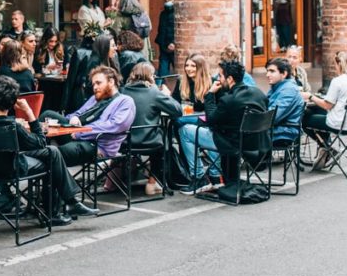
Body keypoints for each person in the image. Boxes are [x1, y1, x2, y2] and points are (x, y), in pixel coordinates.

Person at [0, 76, 97, 226]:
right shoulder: (12, 128)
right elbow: (40, 142)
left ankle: (67, 204)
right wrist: (29, 112)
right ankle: (57, 210)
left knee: (52, 152)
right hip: (11, 169)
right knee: (52, 155)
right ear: (12, 104)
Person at [177, 59, 267, 194]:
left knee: (185, 130)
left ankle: (199, 177)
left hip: (232, 144)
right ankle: (215, 175)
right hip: (256, 143)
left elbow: (212, 120)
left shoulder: (229, 99)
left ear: (229, 79)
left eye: (220, 76)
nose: (218, 79)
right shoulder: (258, 93)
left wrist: (210, 95)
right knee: (214, 130)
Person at [43, 66, 135, 168]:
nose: (95, 87)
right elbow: (78, 113)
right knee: (48, 115)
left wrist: (81, 133)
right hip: (77, 135)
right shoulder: (95, 98)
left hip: (98, 147)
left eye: (98, 83)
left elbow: (114, 126)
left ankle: (49, 172)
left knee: (56, 153)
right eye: (93, 84)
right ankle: (33, 150)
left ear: (111, 82)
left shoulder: (125, 101)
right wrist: (75, 117)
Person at [117, 61, 180, 196]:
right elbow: (177, 111)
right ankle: (152, 183)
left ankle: (126, 178)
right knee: (163, 138)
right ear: (150, 76)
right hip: (148, 141)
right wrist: (168, 95)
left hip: (123, 141)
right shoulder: (153, 92)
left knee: (159, 134)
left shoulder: (123, 91)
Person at [303, 50, 347, 170]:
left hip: (338, 124)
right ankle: (327, 148)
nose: (335, 68)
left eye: (336, 65)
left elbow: (327, 105)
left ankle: (327, 147)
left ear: (340, 65)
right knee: (318, 113)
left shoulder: (338, 81)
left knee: (304, 118)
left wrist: (310, 96)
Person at [62, 32, 119, 113]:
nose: (116, 48)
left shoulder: (112, 60)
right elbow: (91, 87)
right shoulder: (94, 62)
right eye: (113, 45)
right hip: (91, 104)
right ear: (105, 47)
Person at [263, 57, 305, 147]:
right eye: (267, 71)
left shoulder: (288, 90)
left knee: (239, 136)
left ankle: (258, 160)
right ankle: (258, 160)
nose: (267, 74)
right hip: (277, 129)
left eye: (272, 71)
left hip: (284, 133)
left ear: (284, 74)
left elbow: (273, 117)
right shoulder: (277, 87)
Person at [155, 0, 176, 76]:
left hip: (173, 47)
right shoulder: (163, 13)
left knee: (180, 71)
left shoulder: (178, 13)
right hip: (163, 46)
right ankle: (161, 88)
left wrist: (174, 43)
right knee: (162, 73)